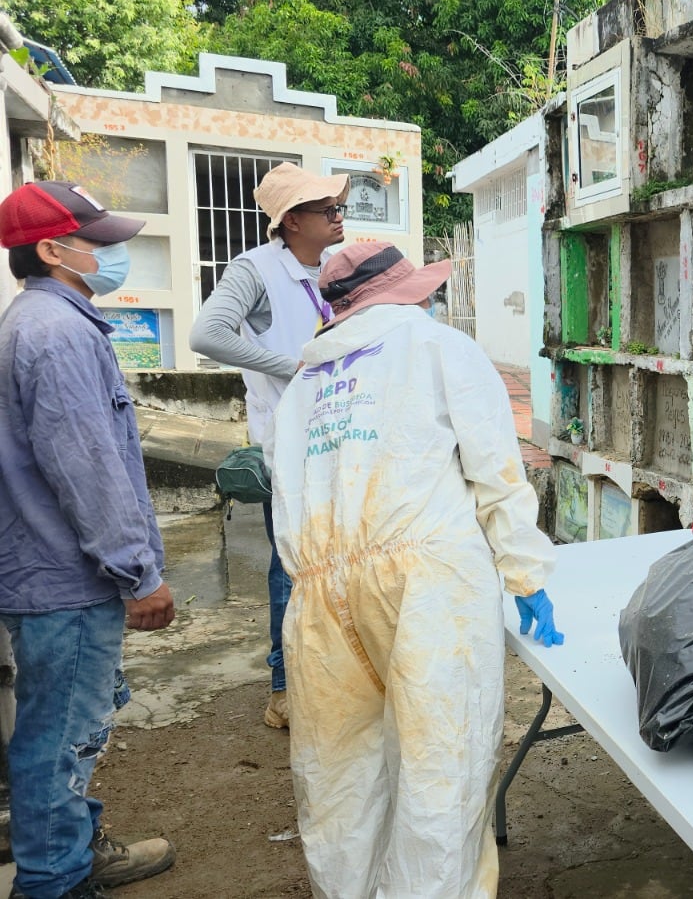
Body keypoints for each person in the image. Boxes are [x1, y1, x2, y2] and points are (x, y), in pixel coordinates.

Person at [265, 242, 559, 898]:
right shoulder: (438, 348)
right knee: (439, 769)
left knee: (338, 774)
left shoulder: (302, 385)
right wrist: (525, 573)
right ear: (406, 293)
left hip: (316, 597)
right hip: (427, 584)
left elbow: (285, 499)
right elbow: (496, 472)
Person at [0, 181, 178, 899]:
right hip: (64, 580)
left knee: (59, 731)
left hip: (41, 571)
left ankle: (70, 853)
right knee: (59, 741)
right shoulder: (57, 334)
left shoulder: (34, 324)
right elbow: (88, 467)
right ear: (52, 249)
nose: (113, 253)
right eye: (99, 241)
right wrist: (138, 574)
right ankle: (54, 882)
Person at [189, 162, 348, 729]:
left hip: (339, 433)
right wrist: (295, 367)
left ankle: (326, 669)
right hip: (288, 441)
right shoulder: (254, 270)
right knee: (290, 565)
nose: (337, 216)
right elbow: (207, 335)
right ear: (291, 221)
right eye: (325, 209)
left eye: (337, 206)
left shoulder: (333, 266)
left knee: (338, 557)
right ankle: (283, 687)